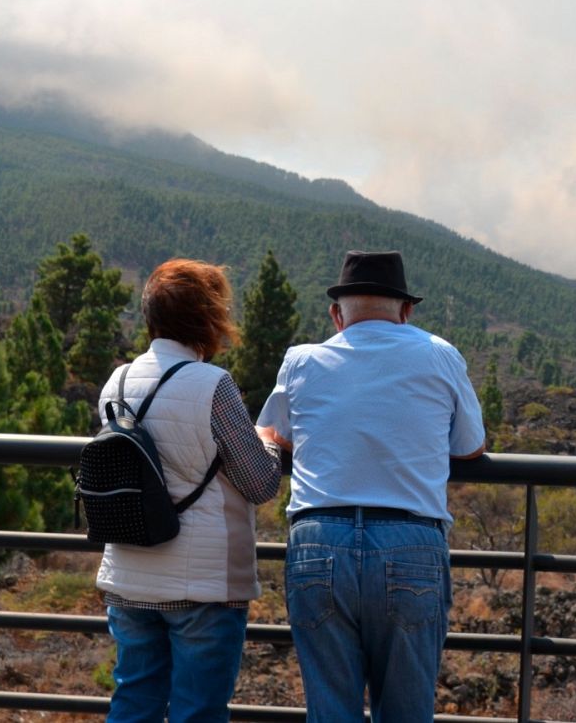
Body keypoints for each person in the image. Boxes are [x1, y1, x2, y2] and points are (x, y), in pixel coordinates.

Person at [256, 250, 485, 721]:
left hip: (319, 541)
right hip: (411, 543)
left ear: (336, 314)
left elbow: (274, 433)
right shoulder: (440, 355)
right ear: (406, 310)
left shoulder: (301, 361)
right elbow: (469, 448)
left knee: (330, 710)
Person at [96, 259, 282, 723]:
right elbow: (260, 483)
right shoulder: (212, 385)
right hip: (204, 585)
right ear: (207, 318)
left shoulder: (115, 383)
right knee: (198, 712)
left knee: (133, 704)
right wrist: (269, 444)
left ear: (151, 316)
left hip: (130, 575)